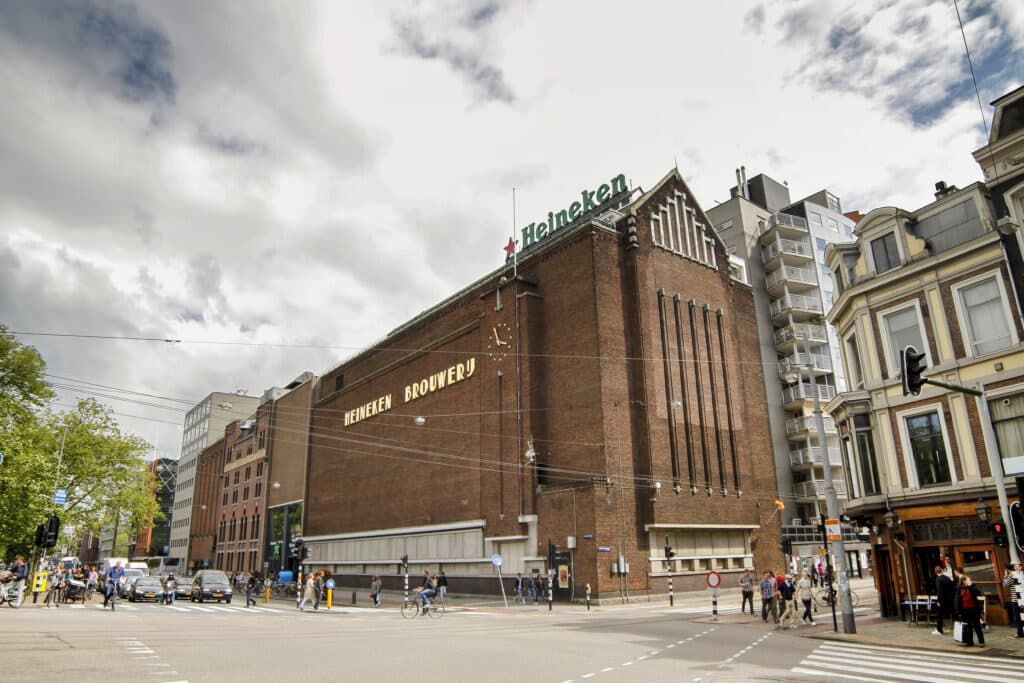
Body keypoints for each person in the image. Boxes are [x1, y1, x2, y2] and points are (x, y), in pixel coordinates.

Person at [954, 573, 985, 647]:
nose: (969, 581)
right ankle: (969, 641)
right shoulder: (959, 589)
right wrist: (958, 611)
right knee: (968, 627)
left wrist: (971, 585)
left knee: (977, 626)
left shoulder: (971, 588)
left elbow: (978, 593)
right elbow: (957, 600)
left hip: (974, 610)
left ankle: (981, 642)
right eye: (968, 580)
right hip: (965, 611)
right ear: (963, 581)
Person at [932, 565, 956, 636]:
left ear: (936, 572)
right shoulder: (947, 578)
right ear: (941, 570)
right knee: (953, 613)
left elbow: (939, 591)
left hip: (943, 600)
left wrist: (939, 601)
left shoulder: (938, 579)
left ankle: (939, 630)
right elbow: (952, 587)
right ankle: (956, 628)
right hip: (951, 599)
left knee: (939, 615)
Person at [1003, 562, 1023, 639]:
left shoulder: (1012, 576)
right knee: (1022, 615)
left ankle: (1020, 633)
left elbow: (1005, 585)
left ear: (1008, 570)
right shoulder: (1021, 574)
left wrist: (1005, 576)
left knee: (1018, 617)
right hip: (1022, 599)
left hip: (1016, 600)